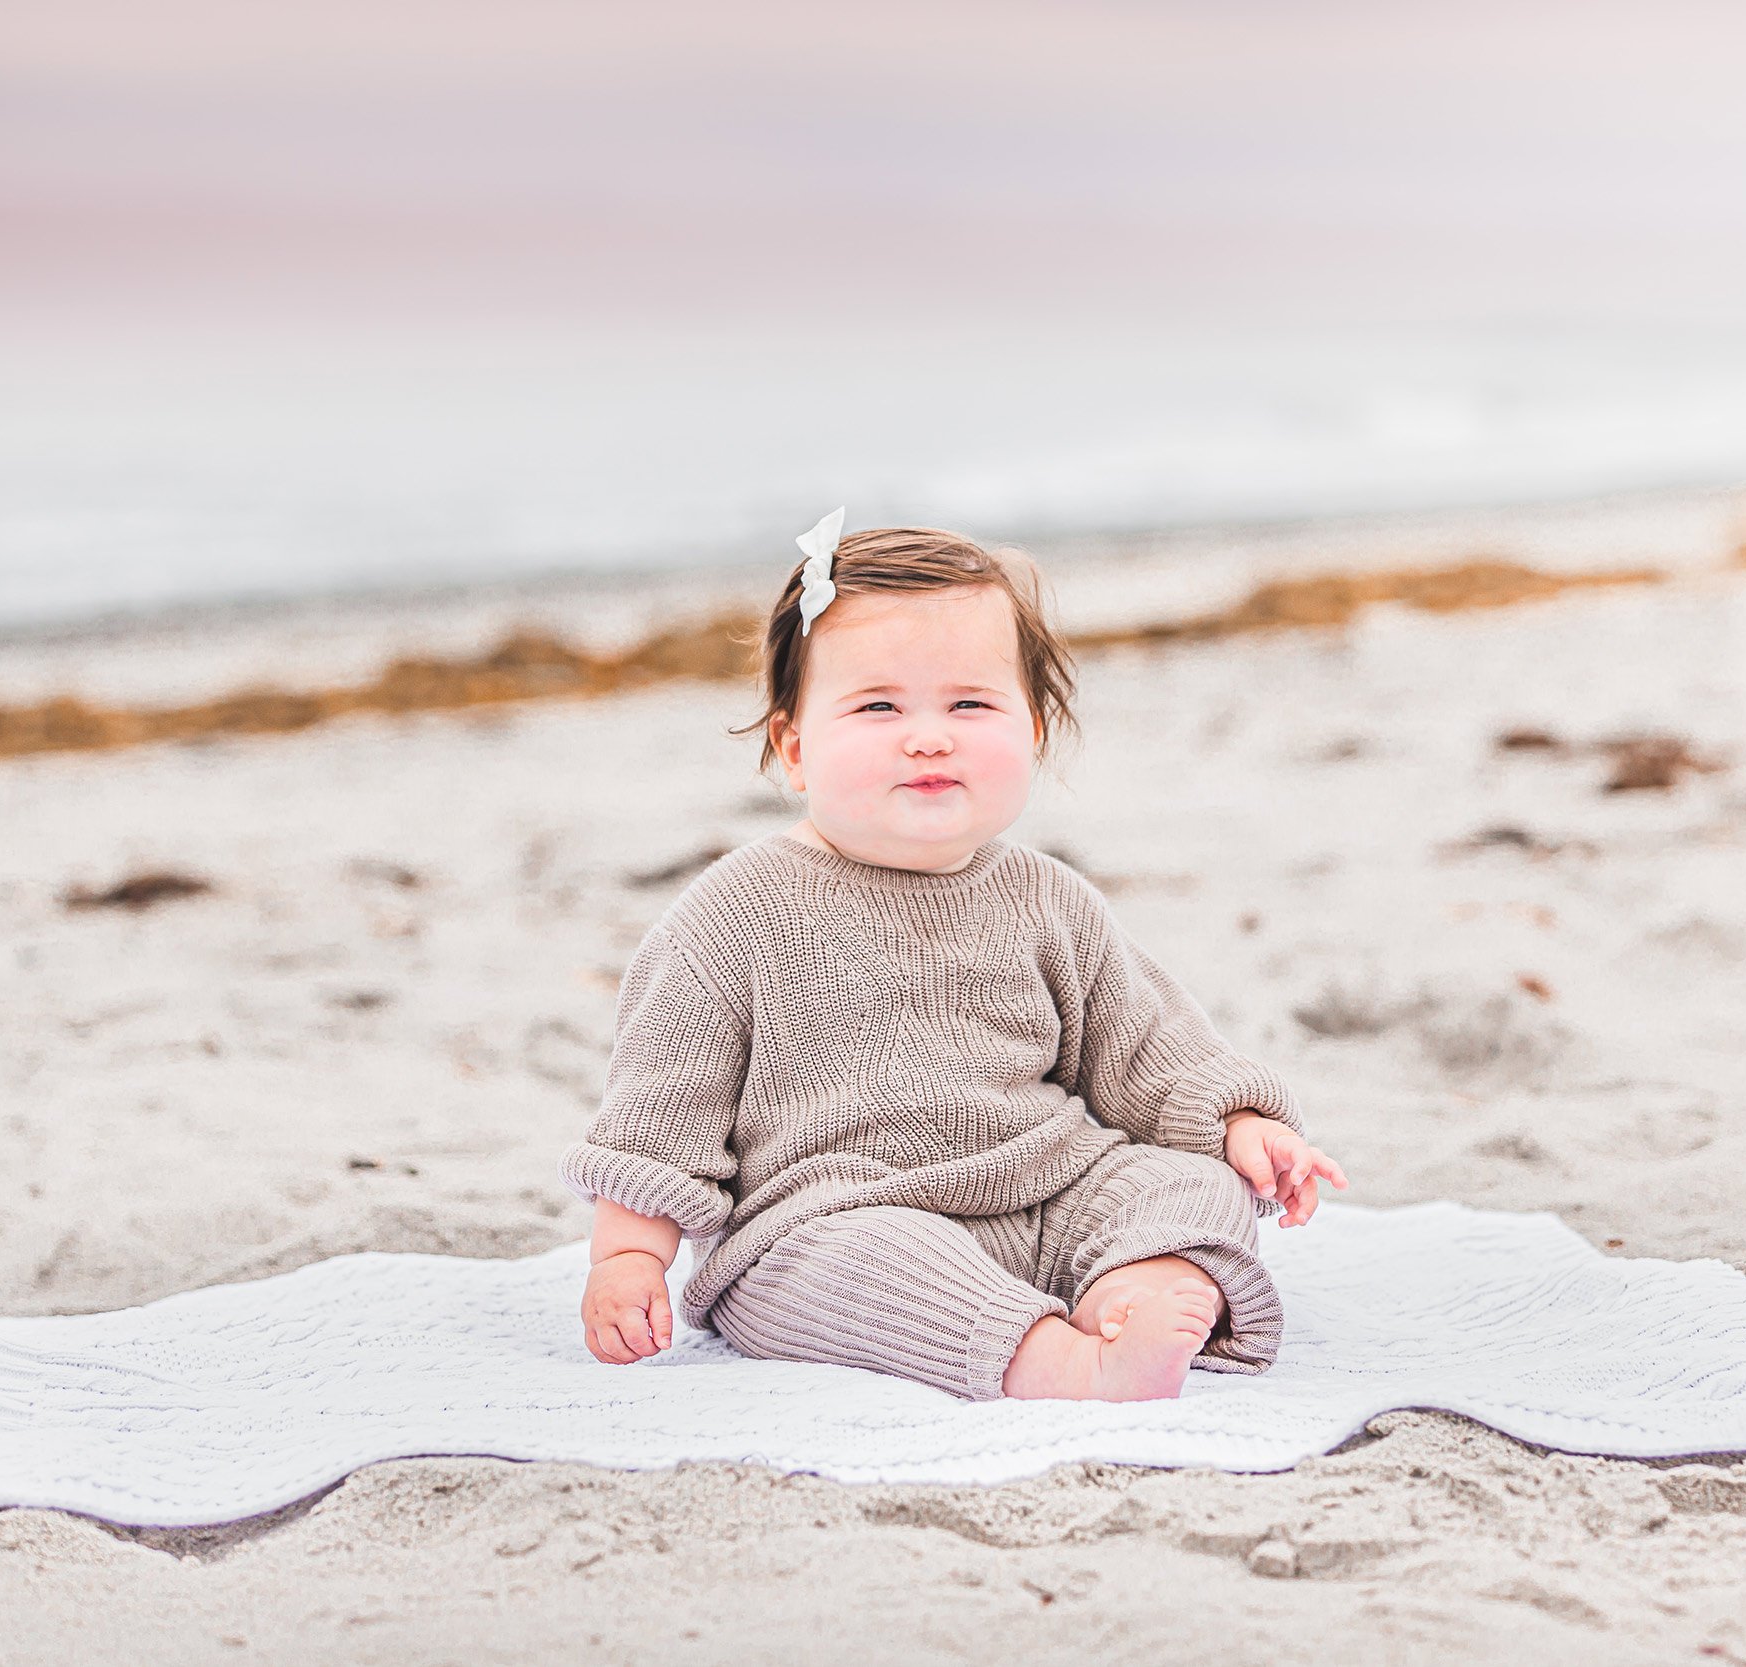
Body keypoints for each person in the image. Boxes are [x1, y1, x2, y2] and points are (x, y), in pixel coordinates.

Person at [565, 510, 1348, 1401]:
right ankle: (1059, 1363)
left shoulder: (1049, 900)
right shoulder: (732, 915)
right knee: (853, 1267)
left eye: (969, 703)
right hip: (839, 1216)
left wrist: (1238, 1123)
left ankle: (1132, 1295)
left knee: (1189, 1186)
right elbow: (658, 1113)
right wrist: (629, 1254)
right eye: (878, 707)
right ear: (793, 748)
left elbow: (1147, 1052)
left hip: (1047, 1193)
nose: (928, 735)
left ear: (1035, 732)